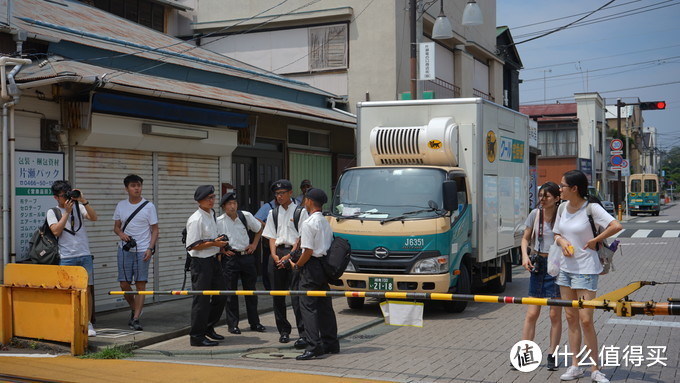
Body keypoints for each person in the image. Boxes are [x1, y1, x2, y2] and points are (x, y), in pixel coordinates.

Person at [553, 170, 622, 383]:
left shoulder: (591, 208)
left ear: (574, 189)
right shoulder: (562, 207)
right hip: (565, 269)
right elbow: (556, 233)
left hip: (586, 270)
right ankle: (575, 366)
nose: (559, 189)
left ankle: (595, 369)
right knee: (571, 318)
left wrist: (595, 240)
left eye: (562, 185)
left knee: (585, 320)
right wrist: (562, 242)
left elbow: (616, 225)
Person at [517, 182, 562, 371]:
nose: (542, 199)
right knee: (532, 313)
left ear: (557, 198)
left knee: (554, 314)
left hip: (557, 265)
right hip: (538, 264)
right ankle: (524, 353)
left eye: (547, 196)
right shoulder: (535, 214)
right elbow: (525, 238)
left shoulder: (563, 215)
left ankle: (552, 354)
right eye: (541, 196)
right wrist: (525, 256)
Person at [292, 188, 339, 360]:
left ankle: (313, 345)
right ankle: (331, 343)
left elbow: (308, 251)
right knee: (325, 306)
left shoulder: (308, 223)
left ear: (310, 201)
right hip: (324, 266)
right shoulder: (326, 223)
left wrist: (297, 265)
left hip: (311, 267)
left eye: (305, 199)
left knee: (308, 306)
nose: (304, 202)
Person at [47, 180, 98, 337]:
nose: (68, 198)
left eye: (69, 193)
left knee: (87, 290)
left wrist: (83, 201)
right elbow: (55, 231)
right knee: (68, 291)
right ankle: (69, 322)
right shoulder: (53, 212)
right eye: (64, 196)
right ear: (56, 197)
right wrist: (67, 213)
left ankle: (88, 323)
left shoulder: (79, 206)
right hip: (67, 256)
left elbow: (94, 217)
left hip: (84, 254)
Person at [261, 179, 308, 345]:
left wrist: (289, 257)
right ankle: (283, 331)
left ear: (290, 193)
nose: (279, 196)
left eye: (282, 193)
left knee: (297, 295)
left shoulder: (300, 212)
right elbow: (271, 237)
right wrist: (274, 256)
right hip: (277, 254)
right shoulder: (273, 213)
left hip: (294, 254)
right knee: (277, 295)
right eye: (276, 194)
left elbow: (301, 238)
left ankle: (303, 332)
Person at [113, 174, 159, 331]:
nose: (137, 188)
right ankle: (135, 308)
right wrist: (121, 235)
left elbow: (155, 230)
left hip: (143, 250)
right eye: (133, 186)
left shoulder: (149, 206)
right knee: (124, 284)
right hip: (125, 249)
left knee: (141, 284)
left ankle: (136, 318)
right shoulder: (121, 205)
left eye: (139, 185)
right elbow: (116, 227)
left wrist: (150, 248)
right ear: (126, 189)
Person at [185, 185, 230, 347]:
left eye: (213, 197)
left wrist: (219, 246)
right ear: (199, 201)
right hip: (200, 262)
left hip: (213, 260)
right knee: (201, 300)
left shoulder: (211, 214)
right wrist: (214, 243)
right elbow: (192, 245)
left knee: (221, 295)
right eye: (208, 198)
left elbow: (212, 238)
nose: (211, 201)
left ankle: (208, 327)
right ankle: (196, 336)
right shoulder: (196, 219)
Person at [216, 192, 266, 334]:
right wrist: (222, 250)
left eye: (235, 203)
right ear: (224, 207)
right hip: (230, 258)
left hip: (246, 257)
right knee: (231, 293)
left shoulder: (245, 216)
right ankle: (233, 324)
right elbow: (214, 239)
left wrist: (254, 245)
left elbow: (259, 228)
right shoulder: (219, 221)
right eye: (229, 204)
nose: (233, 206)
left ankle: (255, 322)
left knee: (250, 291)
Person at [254, 198, 277, 290]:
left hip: (283, 241)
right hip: (269, 240)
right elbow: (256, 218)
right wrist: (267, 226)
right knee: (268, 263)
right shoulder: (268, 207)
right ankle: (268, 286)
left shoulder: (293, 204)